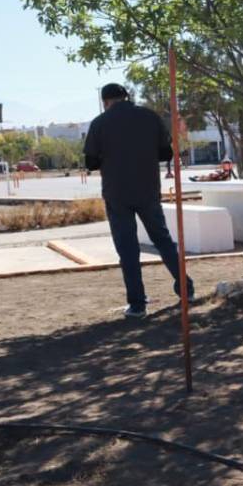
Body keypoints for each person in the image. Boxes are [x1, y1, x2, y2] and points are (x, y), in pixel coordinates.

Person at [84, 83, 193, 319]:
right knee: (162, 240)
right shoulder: (149, 117)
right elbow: (166, 153)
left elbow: (90, 162)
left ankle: (137, 304)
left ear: (105, 101)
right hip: (148, 189)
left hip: (117, 193)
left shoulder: (100, 123)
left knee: (128, 249)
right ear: (126, 97)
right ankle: (185, 288)